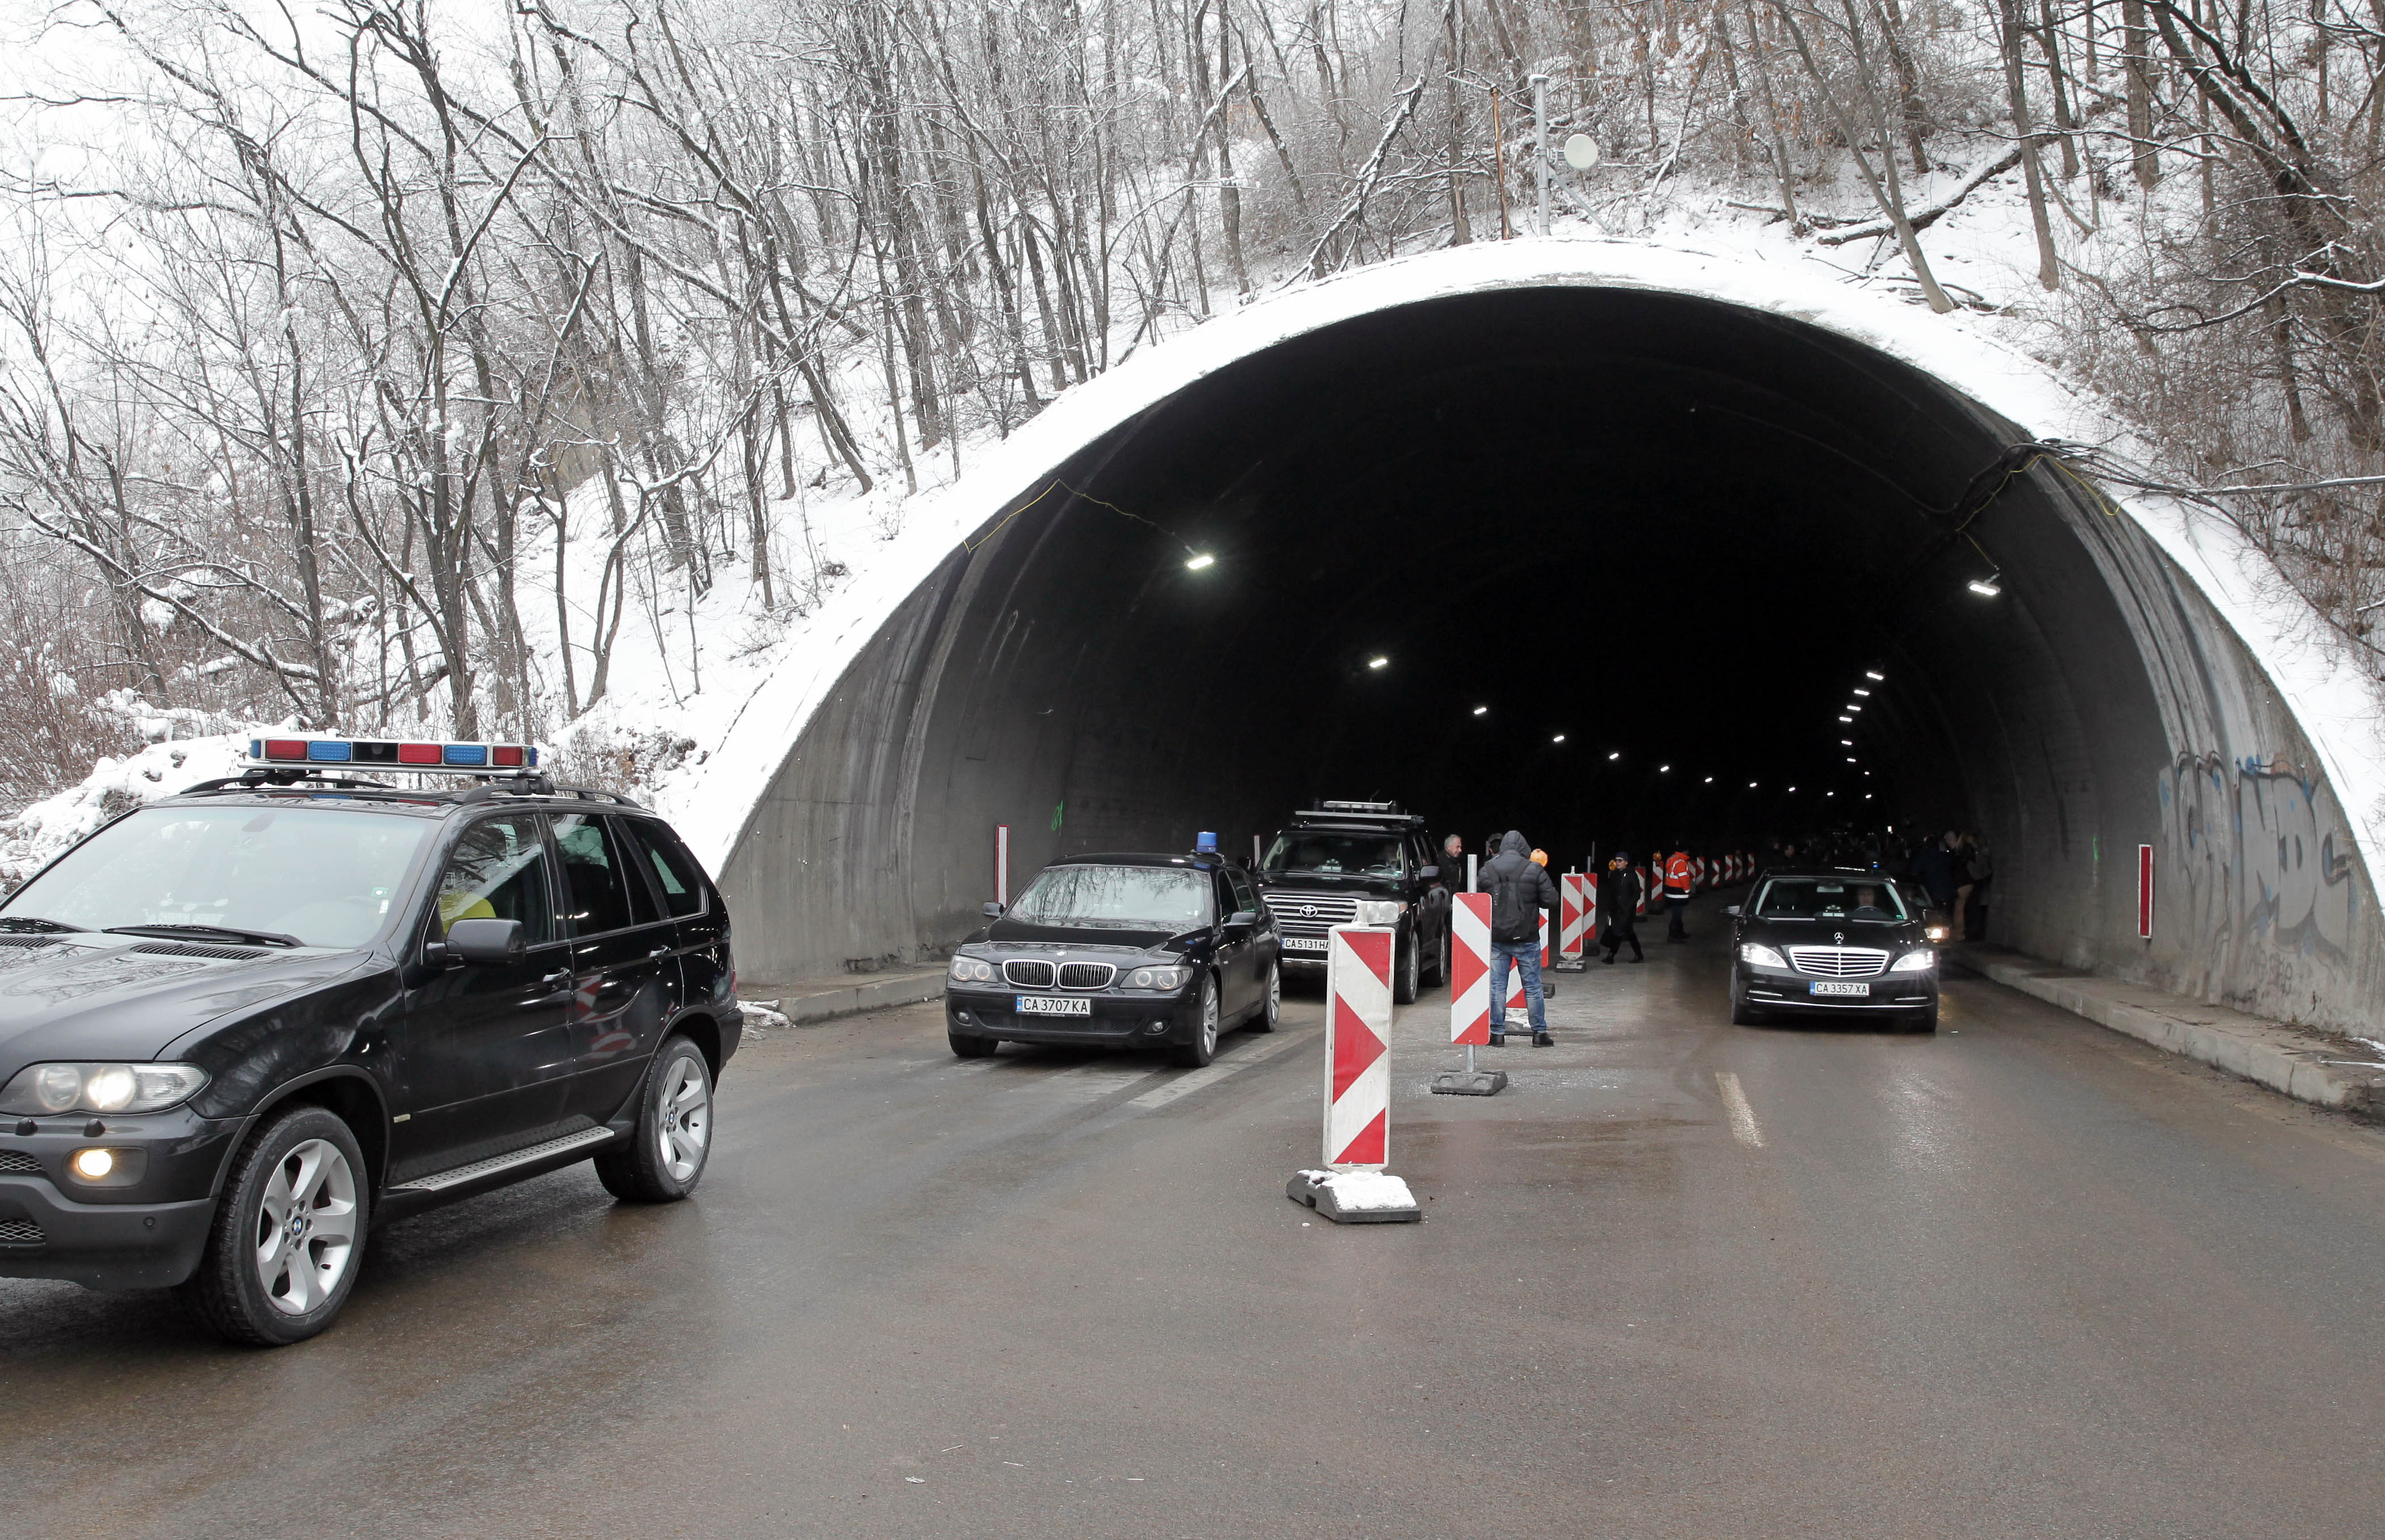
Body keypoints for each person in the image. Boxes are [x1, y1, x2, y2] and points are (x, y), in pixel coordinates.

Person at [1480, 830, 1560, 1047]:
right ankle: (1539, 1034)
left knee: (1497, 987)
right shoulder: (1534, 869)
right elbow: (1552, 901)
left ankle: (1496, 1034)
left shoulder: (1487, 869)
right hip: (1526, 938)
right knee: (1533, 987)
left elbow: (1478, 903)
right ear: (1524, 848)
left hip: (1497, 938)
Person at [1598, 851, 1643, 963]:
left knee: (1618, 932)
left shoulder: (1632, 875)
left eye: (1620, 860)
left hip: (1627, 911)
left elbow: (1637, 893)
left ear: (1626, 863)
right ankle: (1639, 954)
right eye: (1616, 860)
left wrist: (1628, 906)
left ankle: (1611, 957)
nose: (1617, 862)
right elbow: (1612, 892)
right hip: (1616, 909)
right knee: (1628, 932)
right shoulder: (1614, 874)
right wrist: (1610, 907)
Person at [1662, 843, 1693, 942]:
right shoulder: (1681, 862)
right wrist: (1688, 891)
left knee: (1677, 913)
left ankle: (1680, 932)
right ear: (1685, 851)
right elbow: (1684, 879)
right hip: (1678, 892)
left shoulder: (1672, 859)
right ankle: (1673, 936)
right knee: (1677, 915)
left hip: (1671, 891)